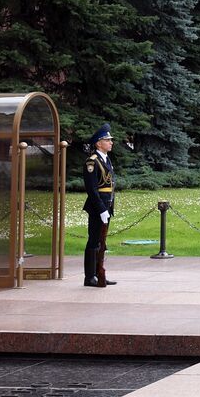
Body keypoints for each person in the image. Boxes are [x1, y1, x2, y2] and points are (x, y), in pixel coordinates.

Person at [82, 123, 117, 288]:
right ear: (98, 143)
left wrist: (109, 207)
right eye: (107, 140)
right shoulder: (92, 162)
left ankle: (99, 273)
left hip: (106, 206)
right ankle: (90, 277)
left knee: (101, 243)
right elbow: (92, 189)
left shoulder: (106, 159)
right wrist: (102, 209)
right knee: (94, 241)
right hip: (98, 208)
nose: (111, 142)